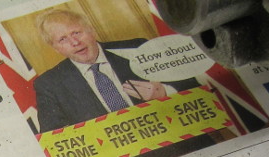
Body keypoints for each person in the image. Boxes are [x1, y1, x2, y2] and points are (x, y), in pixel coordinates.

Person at [33, 10, 200, 133]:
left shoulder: (137, 48)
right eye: (63, 39)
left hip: (173, 137)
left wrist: (164, 92)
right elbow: (54, 137)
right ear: (55, 48)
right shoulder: (49, 84)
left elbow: (197, 89)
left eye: (76, 32)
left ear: (91, 31)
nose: (75, 42)